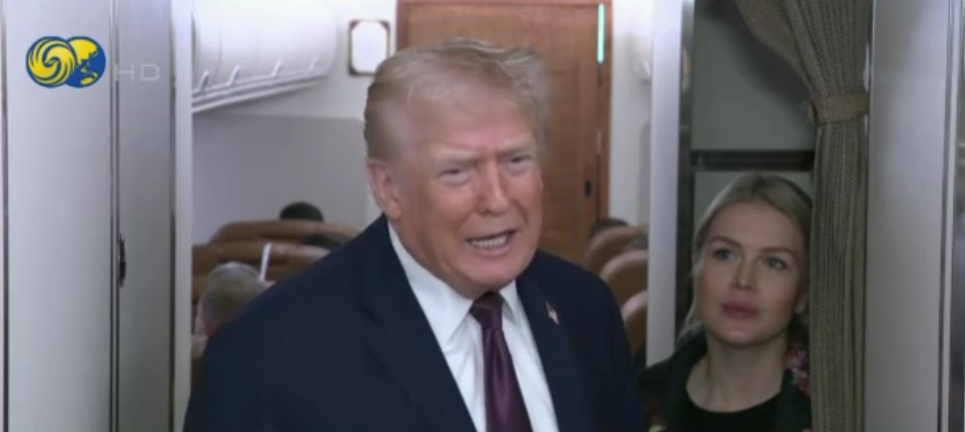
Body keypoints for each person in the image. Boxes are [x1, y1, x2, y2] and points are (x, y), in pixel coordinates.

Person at [185, 37, 644, 432]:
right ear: (389, 188)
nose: (497, 199)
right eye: (457, 171)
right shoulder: (263, 356)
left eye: (515, 161)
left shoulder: (586, 310)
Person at [639, 172, 812, 432]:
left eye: (774, 263)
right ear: (696, 266)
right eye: (725, 254)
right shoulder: (640, 399)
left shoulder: (836, 411)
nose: (744, 280)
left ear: (803, 293)